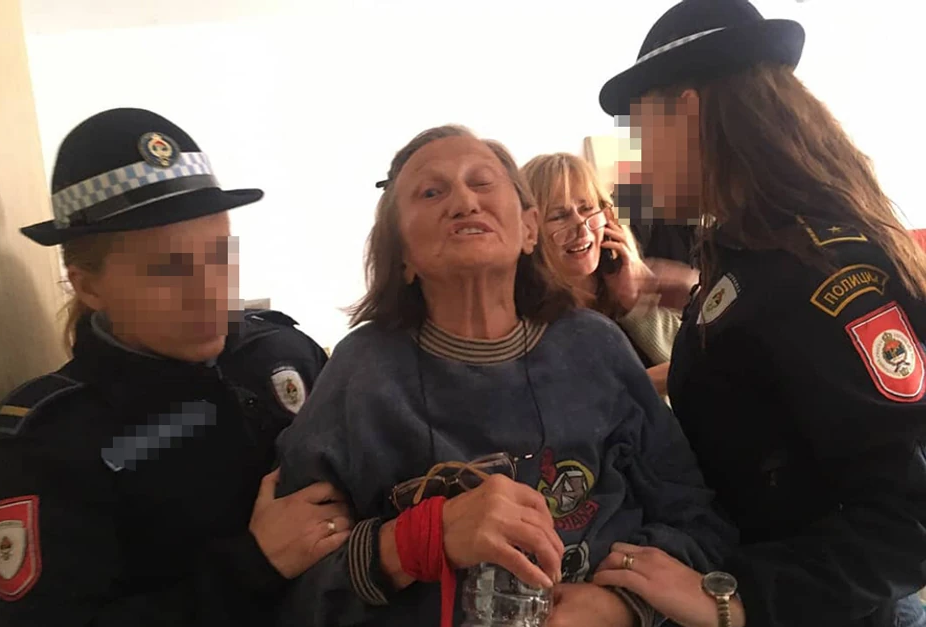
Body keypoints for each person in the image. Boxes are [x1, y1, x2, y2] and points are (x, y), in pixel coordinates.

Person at [272, 124, 736, 627]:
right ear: (401, 254)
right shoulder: (359, 374)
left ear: (528, 229)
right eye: (431, 192)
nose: (464, 201)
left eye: (482, 182)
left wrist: (624, 603)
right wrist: (413, 543)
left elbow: (695, 517)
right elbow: (293, 585)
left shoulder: (596, 346)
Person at [591, 2, 926, 627]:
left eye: (639, 129)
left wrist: (737, 598)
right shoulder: (750, 250)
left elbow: (909, 517)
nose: (635, 158)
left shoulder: (828, 268)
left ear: (688, 112)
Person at [0, 108, 350, 627]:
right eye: (167, 269)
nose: (210, 292)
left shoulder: (282, 354)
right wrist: (254, 563)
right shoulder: (51, 442)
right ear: (88, 285)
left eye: (219, 254)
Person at [521, 153, 691, 396]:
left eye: (587, 208)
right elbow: (570, 400)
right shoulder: (528, 318)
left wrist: (636, 304)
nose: (582, 228)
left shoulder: (627, 279)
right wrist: (650, 382)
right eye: (559, 216)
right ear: (530, 232)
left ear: (608, 217)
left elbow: (692, 362)